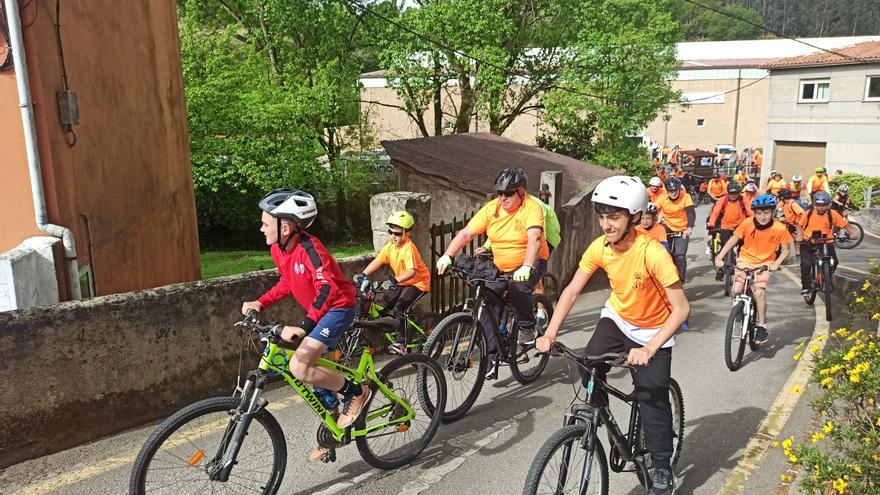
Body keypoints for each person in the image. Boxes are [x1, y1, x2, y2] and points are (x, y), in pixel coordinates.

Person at [536, 175, 690, 495]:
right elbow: (572, 290)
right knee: (588, 362)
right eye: (602, 216)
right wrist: (550, 334)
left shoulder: (652, 253)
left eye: (614, 217)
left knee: (652, 402)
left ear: (634, 217)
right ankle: (600, 417)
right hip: (618, 320)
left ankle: (661, 467)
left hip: (654, 330)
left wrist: (649, 348)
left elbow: (681, 309)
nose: (606, 225)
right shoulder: (601, 247)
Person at [241, 189, 364, 462]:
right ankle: (333, 421)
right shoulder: (278, 249)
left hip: (338, 307)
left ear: (284, 227)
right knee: (306, 367)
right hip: (320, 312)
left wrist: (305, 325)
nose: (260, 228)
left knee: (299, 364)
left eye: (265, 223)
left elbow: (327, 287)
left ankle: (355, 392)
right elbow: (287, 282)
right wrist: (260, 302)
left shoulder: (312, 249)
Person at [436, 167, 549, 379]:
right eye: (500, 193)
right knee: (487, 308)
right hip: (500, 265)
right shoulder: (492, 209)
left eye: (508, 193)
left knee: (518, 288)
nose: (502, 197)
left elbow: (534, 238)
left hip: (531, 261)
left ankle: (527, 327)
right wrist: (449, 255)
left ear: (522, 192)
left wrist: (526, 266)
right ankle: (492, 355)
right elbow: (467, 233)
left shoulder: (531, 208)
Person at [714, 195, 791, 344]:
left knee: (759, 292)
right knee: (736, 290)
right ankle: (738, 314)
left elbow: (786, 250)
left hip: (764, 264)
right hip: (745, 261)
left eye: (767, 213)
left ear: (773, 212)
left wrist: (776, 263)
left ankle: (761, 325)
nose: (763, 217)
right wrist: (720, 257)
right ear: (754, 213)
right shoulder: (747, 223)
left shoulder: (779, 228)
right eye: (760, 213)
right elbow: (733, 240)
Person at [355, 210, 430, 349]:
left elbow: (411, 272)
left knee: (399, 309)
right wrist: (363, 274)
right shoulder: (390, 246)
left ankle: (402, 342)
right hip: (402, 282)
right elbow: (378, 261)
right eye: (390, 232)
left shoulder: (408, 248)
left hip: (418, 283)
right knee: (383, 307)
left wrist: (394, 281)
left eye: (397, 233)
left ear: (407, 233)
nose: (393, 236)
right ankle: (399, 328)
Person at [798, 191, 858, 301]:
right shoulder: (809, 213)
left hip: (826, 242)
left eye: (824, 205)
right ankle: (806, 288)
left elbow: (846, 226)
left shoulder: (833, 214)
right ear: (814, 205)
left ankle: (827, 277)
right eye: (818, 205)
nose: (821, 208)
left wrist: (853, 233)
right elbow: (799, 225)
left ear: (829, 204)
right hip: (808, 242)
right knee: (806, 264)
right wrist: (799, 236)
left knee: (834, 261)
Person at [655, 177, 695, 283]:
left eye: (675, 191)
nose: (673, 193)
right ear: (667, 191)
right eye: (670, 191)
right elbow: (653, 209)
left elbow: (691, 213)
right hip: (667, 226)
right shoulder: (662, 198)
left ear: (679, 189)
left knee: (680, 256)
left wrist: (689, 228)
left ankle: (681, 280)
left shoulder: (686, 197)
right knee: (662, 252)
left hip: (682, 228)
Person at [707, 182, 752, 276]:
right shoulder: (723, 200)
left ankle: (743, 266)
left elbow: (750, 212)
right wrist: (711, 225)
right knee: (725, 247)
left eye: (735, 193)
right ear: (728, 193)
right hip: (725, 227)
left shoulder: (743, 199)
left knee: (743, 248)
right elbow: (715, 213)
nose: (733, 195)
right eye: (731, 193)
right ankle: (722, 265)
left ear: (738, 192)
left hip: (740, 227)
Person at [777, 188, 804, 258]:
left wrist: (799, 232)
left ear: (783, 197)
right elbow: (778, 209)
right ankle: (797, 254)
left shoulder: (793, 204)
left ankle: (799, 255)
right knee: (788, 239)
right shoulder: (785, 203)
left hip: (796, 225)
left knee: (798, 240)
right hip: (789, 224)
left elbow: (802, 213)